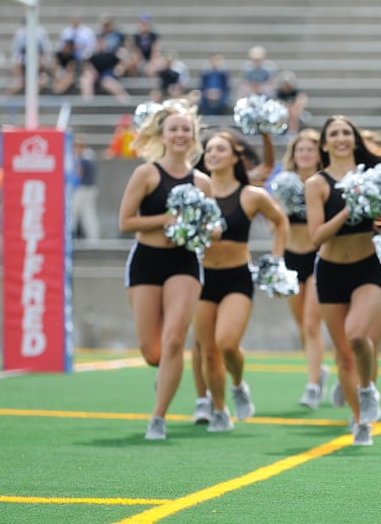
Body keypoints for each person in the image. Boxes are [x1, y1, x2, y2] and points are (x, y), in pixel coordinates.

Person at [303, 115, 381, 445]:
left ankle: (368, 387)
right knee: (343, 353)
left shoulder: (372, 176)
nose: (342, 138)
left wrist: (378, 205)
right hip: (329, 271)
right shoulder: (316, 184)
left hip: (367, 268)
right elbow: (316, 237)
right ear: (325, 144)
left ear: (355, 140)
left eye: (347, 132)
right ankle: (360, 421)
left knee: (357, 335)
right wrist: (348, 208)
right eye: (334, 134)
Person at [118, 100, 211, 440]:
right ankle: (164, 375)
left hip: (184, 263)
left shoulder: (202, 183)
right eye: (174, 129)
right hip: (146, 261)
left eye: (186, 129)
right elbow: (125, 221)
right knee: (152, 351)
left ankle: (158, 417)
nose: (180, 134)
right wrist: (167, 220)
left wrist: (208, 229)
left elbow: (211, 226)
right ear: (163, 134)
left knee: (174, 340)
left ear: (193, 135)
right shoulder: (146, 173)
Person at [193, 130, 289, 432]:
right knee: (207, 350)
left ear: (235, 156)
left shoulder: (251, 195)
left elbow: (280, 221)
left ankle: (237, 384)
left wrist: (276, 258)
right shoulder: (194, 192)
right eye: (209, 150)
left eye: (220, 149)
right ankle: (219, 410)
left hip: (236, 277)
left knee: (227, 343)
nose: (213, 154)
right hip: (203, 278)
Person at [275, 129, 330, 409]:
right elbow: (276, 221)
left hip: (319, 258)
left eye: (310, 149)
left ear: (319, 154)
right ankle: (317, 369)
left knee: (311, 323)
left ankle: (312, 385)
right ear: (293, 156)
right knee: (302, 325)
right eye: (300, 150)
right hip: (291, 258)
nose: (305, 154)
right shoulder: (284, 184)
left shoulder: (325, 183)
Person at [80, 35, 131, 104]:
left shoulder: (111, 55)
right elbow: (85, 64)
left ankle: (126, 101)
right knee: (86, 78)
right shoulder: (92, 55)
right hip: (95, 77)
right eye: (99, 43)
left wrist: (120, 67)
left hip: (107, 77)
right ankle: (87, 103)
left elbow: (122, 61)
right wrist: (91, 69)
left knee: (107, 82)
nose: (100, 45)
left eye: (102, 43)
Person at [7, 19, 52, 95]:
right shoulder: (20, 34)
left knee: (42, 79)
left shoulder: (41, 32)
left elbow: (46, 50)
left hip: (38, 65)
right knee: (19, 81)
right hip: (24, 65)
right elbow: (16, 52)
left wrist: (41, 61)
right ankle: (20, 81)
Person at [71, 135, 100, 240]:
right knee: (88, 214)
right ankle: (93, 238)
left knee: (74, 213)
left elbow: (79, 174)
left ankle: (70, 236)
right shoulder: (90, 156)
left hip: (83, 189)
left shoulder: (84, 158)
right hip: (91, 189)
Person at [275, 70, 309, 136]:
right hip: (283, 114)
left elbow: (301, 101)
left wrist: (293, 109)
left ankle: (292, 133)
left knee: (293, 113)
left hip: (296, 114)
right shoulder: (279, 93)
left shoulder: (296, 92)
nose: (286, 85)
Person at [129, 13, 161, 77]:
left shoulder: (153, 36)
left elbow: (155, 51)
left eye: (146, 23)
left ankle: (153, 85)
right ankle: (134, 82)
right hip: (140, 59)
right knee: (132, 62)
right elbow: (136, 51)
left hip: (150, 59)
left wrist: (151, 63)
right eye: (143, 23)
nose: (144, 25)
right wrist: (142, 62)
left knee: (155, 65)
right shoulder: (137, 36)